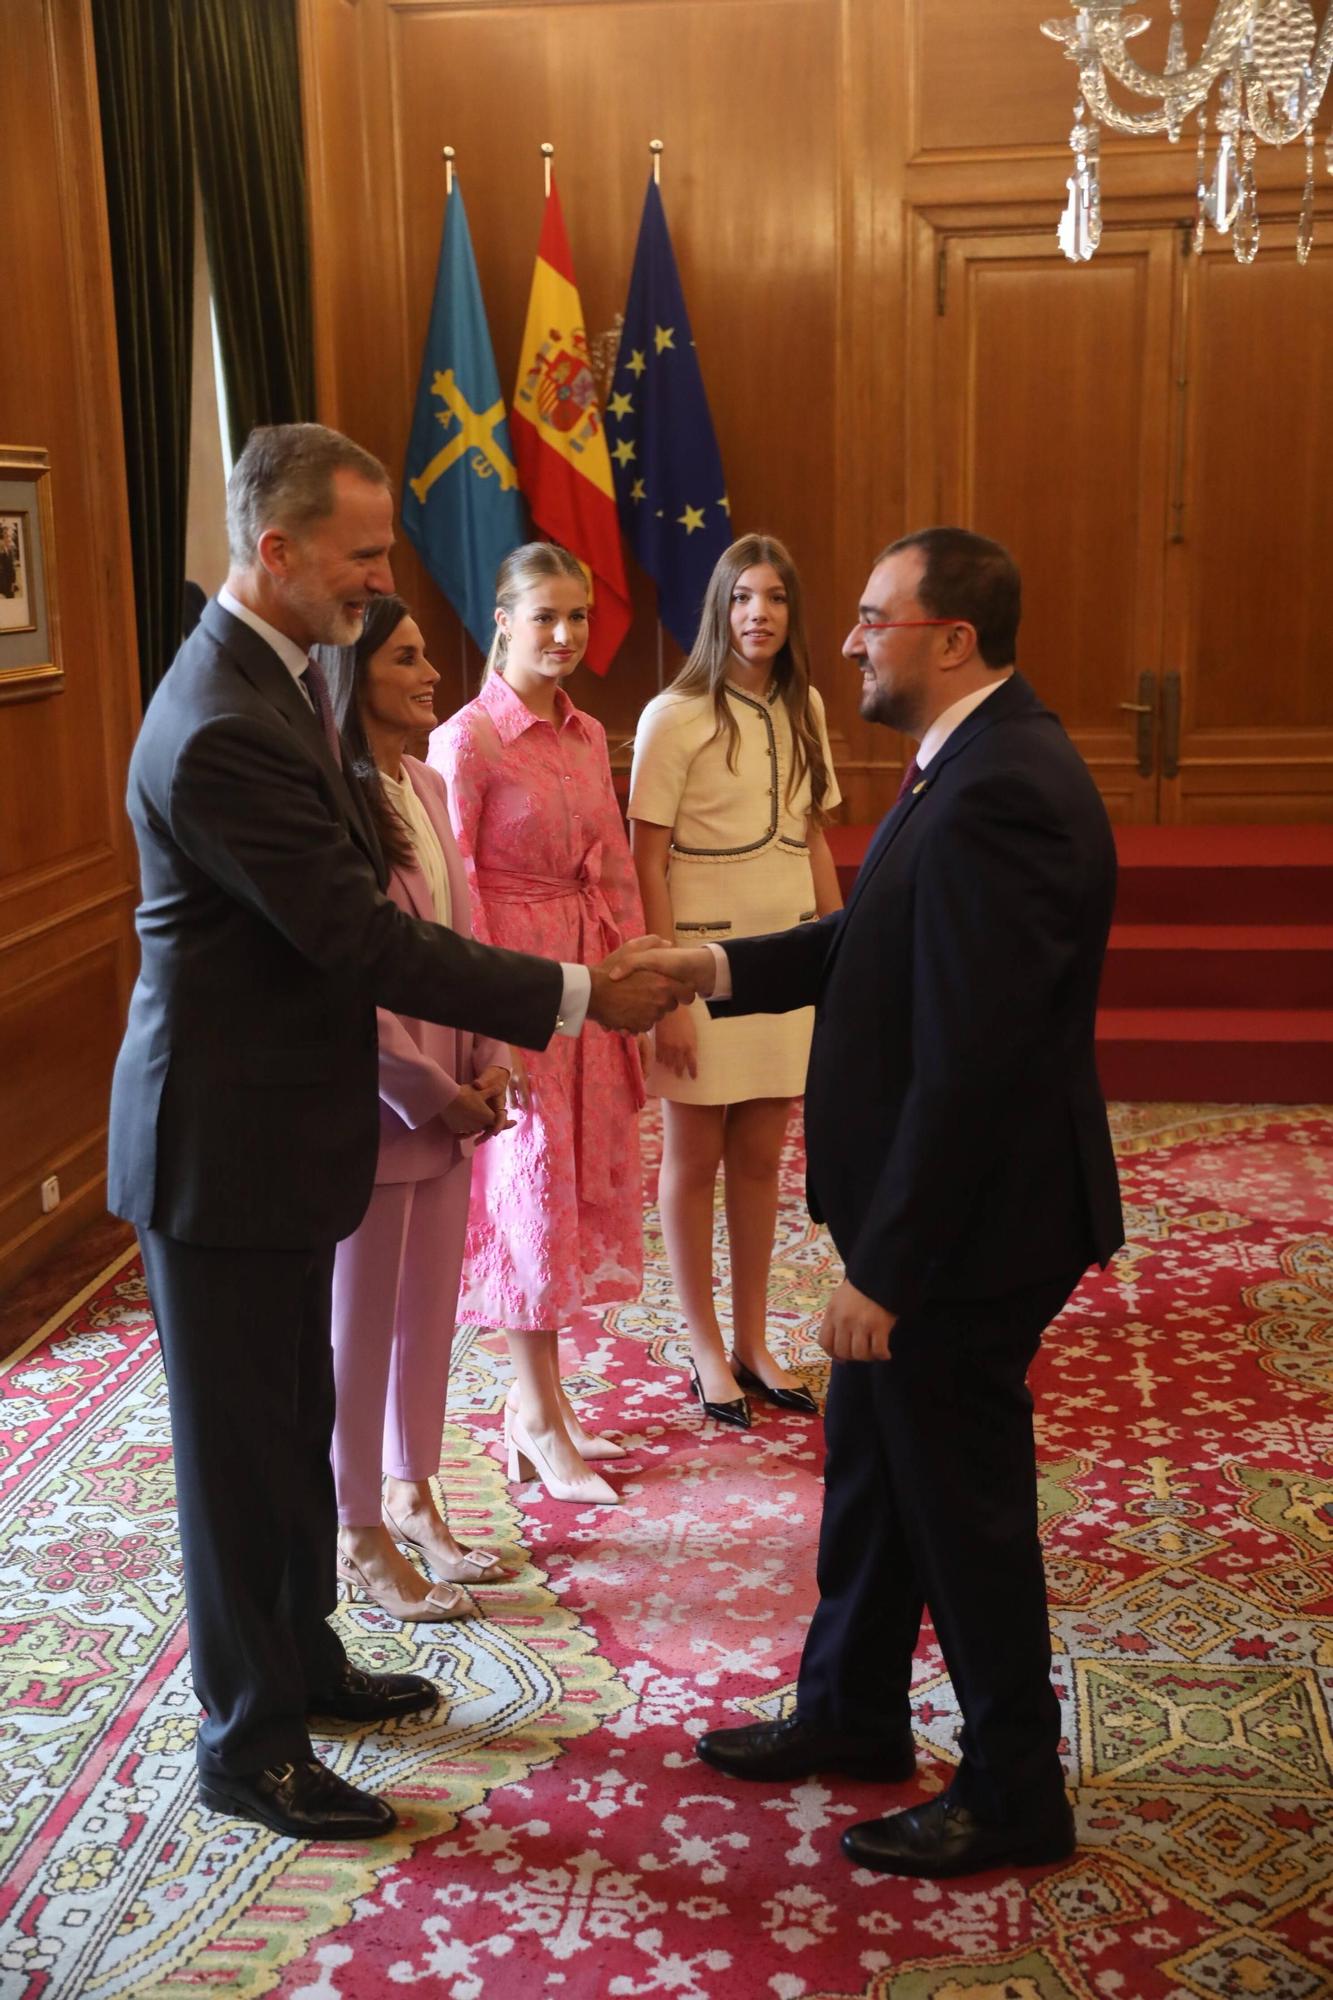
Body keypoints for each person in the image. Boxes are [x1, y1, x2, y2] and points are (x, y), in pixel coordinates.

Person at [107, 425, 688, 1842]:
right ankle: (249, 1747)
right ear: (280, 550)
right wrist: (570, 994)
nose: (383, 579)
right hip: (218, 1148)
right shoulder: (227, 720)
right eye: (365, 554)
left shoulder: (281, 675)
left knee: (295, 1420)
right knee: (239, 1459)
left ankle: (305, 1659)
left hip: (278, 1133)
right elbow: (356, 934)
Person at [632, 529, 1124, 1878]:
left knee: (959, 1504)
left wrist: (889, 1271)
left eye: (869, 618)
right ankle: (850, 1711)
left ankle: (1016, 1791)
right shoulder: (970, 759)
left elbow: (977, 1060)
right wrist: (708, 963)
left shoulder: (1001, 788)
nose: (845, 639)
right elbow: (870, 939)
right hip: (948, 1218)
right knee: (877, 1471)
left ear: (948, 638)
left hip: (968, 1234)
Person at [430, 542, 647, 1508]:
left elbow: (615, 872)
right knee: (526, 1198)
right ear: (502, 621)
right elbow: (454, 888)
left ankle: (542, 1406)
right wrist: (489, 1024)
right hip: (513, 981)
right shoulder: (468, 740)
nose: (564, 636)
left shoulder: (592, 735)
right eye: (545, 618)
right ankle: (533, 1410)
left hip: (586, 977)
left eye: (578, 619)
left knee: (568, 1199)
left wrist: (634, 983)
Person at [320, 594, 512, 1622]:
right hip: (386, 1107)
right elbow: (357, 983)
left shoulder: (427, 782)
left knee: (428, 1319)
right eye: (405, 655)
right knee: (362, 1329)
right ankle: (356, 1531)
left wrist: (486, 1058)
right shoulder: (338, 802)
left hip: (453, 1106)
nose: (432, 669)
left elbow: (456, 938)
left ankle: (414, 1491)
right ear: (352, 674)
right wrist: (433, 1094)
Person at [628, 534, 842, 1427]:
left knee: (761, 1158)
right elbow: (645, 858)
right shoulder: (671, 715)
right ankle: (705, 1346)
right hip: (702, 964)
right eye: (743, 597)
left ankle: (754, 1341)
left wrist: (843, 958)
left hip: (787, 959)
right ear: (718, 610)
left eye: (777, 599)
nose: (760, 613)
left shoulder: (808, 706)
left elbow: (816, 838)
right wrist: (664, 994)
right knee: (695, 1158)